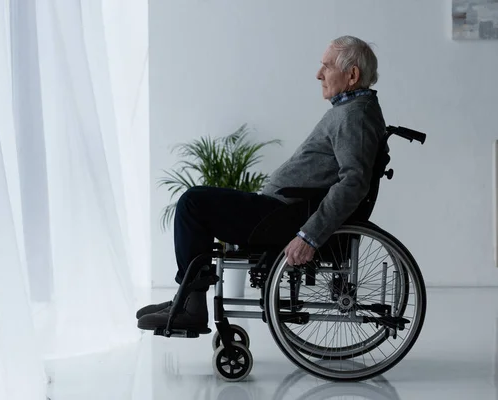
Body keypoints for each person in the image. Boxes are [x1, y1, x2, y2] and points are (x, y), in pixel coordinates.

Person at [136, 35, 386, 332]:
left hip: (288, 216)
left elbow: (353, 183)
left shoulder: (353, 117)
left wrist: (310, 236)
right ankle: (188, 297)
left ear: (352, 75)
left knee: (194, 203)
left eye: (327, 66)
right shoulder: (352, 111)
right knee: (198, 202)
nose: (318, 74)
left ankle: (191, 303)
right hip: (286, 210)